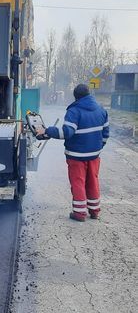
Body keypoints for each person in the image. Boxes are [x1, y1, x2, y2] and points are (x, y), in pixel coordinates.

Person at [36, 84, 109, 222]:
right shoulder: (101, 109)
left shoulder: (75, 111)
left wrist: (47, 131)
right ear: (89, 94)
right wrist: (97, 147)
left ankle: (80, 213)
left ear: (76, 97)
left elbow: (66, 132)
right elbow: (105, 134)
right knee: (93, 181)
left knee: (78, 183)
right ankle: (94, 211)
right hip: (94, 156)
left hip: (77, 156)